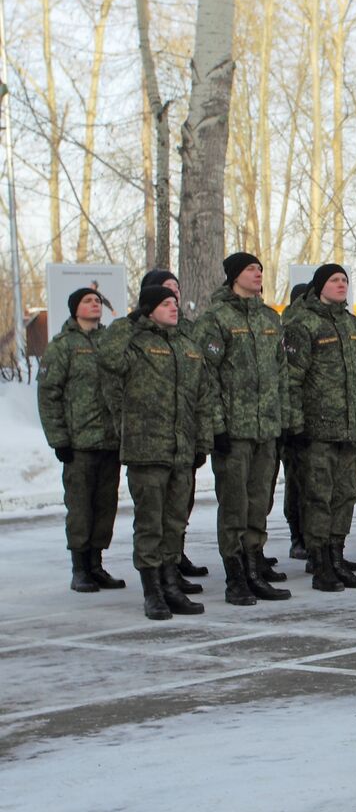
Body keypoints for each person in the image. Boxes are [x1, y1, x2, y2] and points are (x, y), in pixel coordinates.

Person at [105, 285, 215, 620]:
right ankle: (152, 591)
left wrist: (202, 442)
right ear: (148, 309)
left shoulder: (186, 346)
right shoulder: (134, 344)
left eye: (175, 303)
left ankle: (171, 585)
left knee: (174, 522)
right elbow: (109, 359)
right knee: (151, 524)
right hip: (147, 449)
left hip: (181, 449)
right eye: (165, 304)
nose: (174, 308)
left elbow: (203, 397)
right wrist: (130, 322)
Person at [195, 252, 293, 606]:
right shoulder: (216, 319)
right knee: (234, 506)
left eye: (260, 269)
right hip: (234, 432)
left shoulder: (270, 319)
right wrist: (217, 427)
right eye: (251, 269)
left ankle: (254, 569)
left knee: (258, 505)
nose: (258, 274)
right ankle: (236, 576)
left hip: (265, 429)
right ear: (235, 276)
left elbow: (281, 372)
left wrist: (283, 420)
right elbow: (206, 378)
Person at [283, 263, 356, 592]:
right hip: (317, 428)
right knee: (318, 497)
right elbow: (292, 378)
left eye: (345, 280)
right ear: (320, 286)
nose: (341, 285)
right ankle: (320, 561)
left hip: (350, 427)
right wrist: (295, 423)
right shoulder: (302, 322)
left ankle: (337, 555)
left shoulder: (351, 325)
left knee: (345, 496)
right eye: (334, 280)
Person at [38, 287, 123, 593]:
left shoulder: (110, 341)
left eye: (97, 300)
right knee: (80, 506)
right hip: (79, 443)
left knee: (105, 506)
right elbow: (49, 394)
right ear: (75, 309)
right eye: (88, 301)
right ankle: (79, 568)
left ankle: (97, 564)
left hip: (110, 441)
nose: (94, 304)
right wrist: (59, 438)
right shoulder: (63, 346)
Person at [281, 283, 311, 559]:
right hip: (296, 424)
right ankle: (298, 535)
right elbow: (291, 380)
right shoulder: (292, 326)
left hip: (318, 423)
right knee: (297, 483)